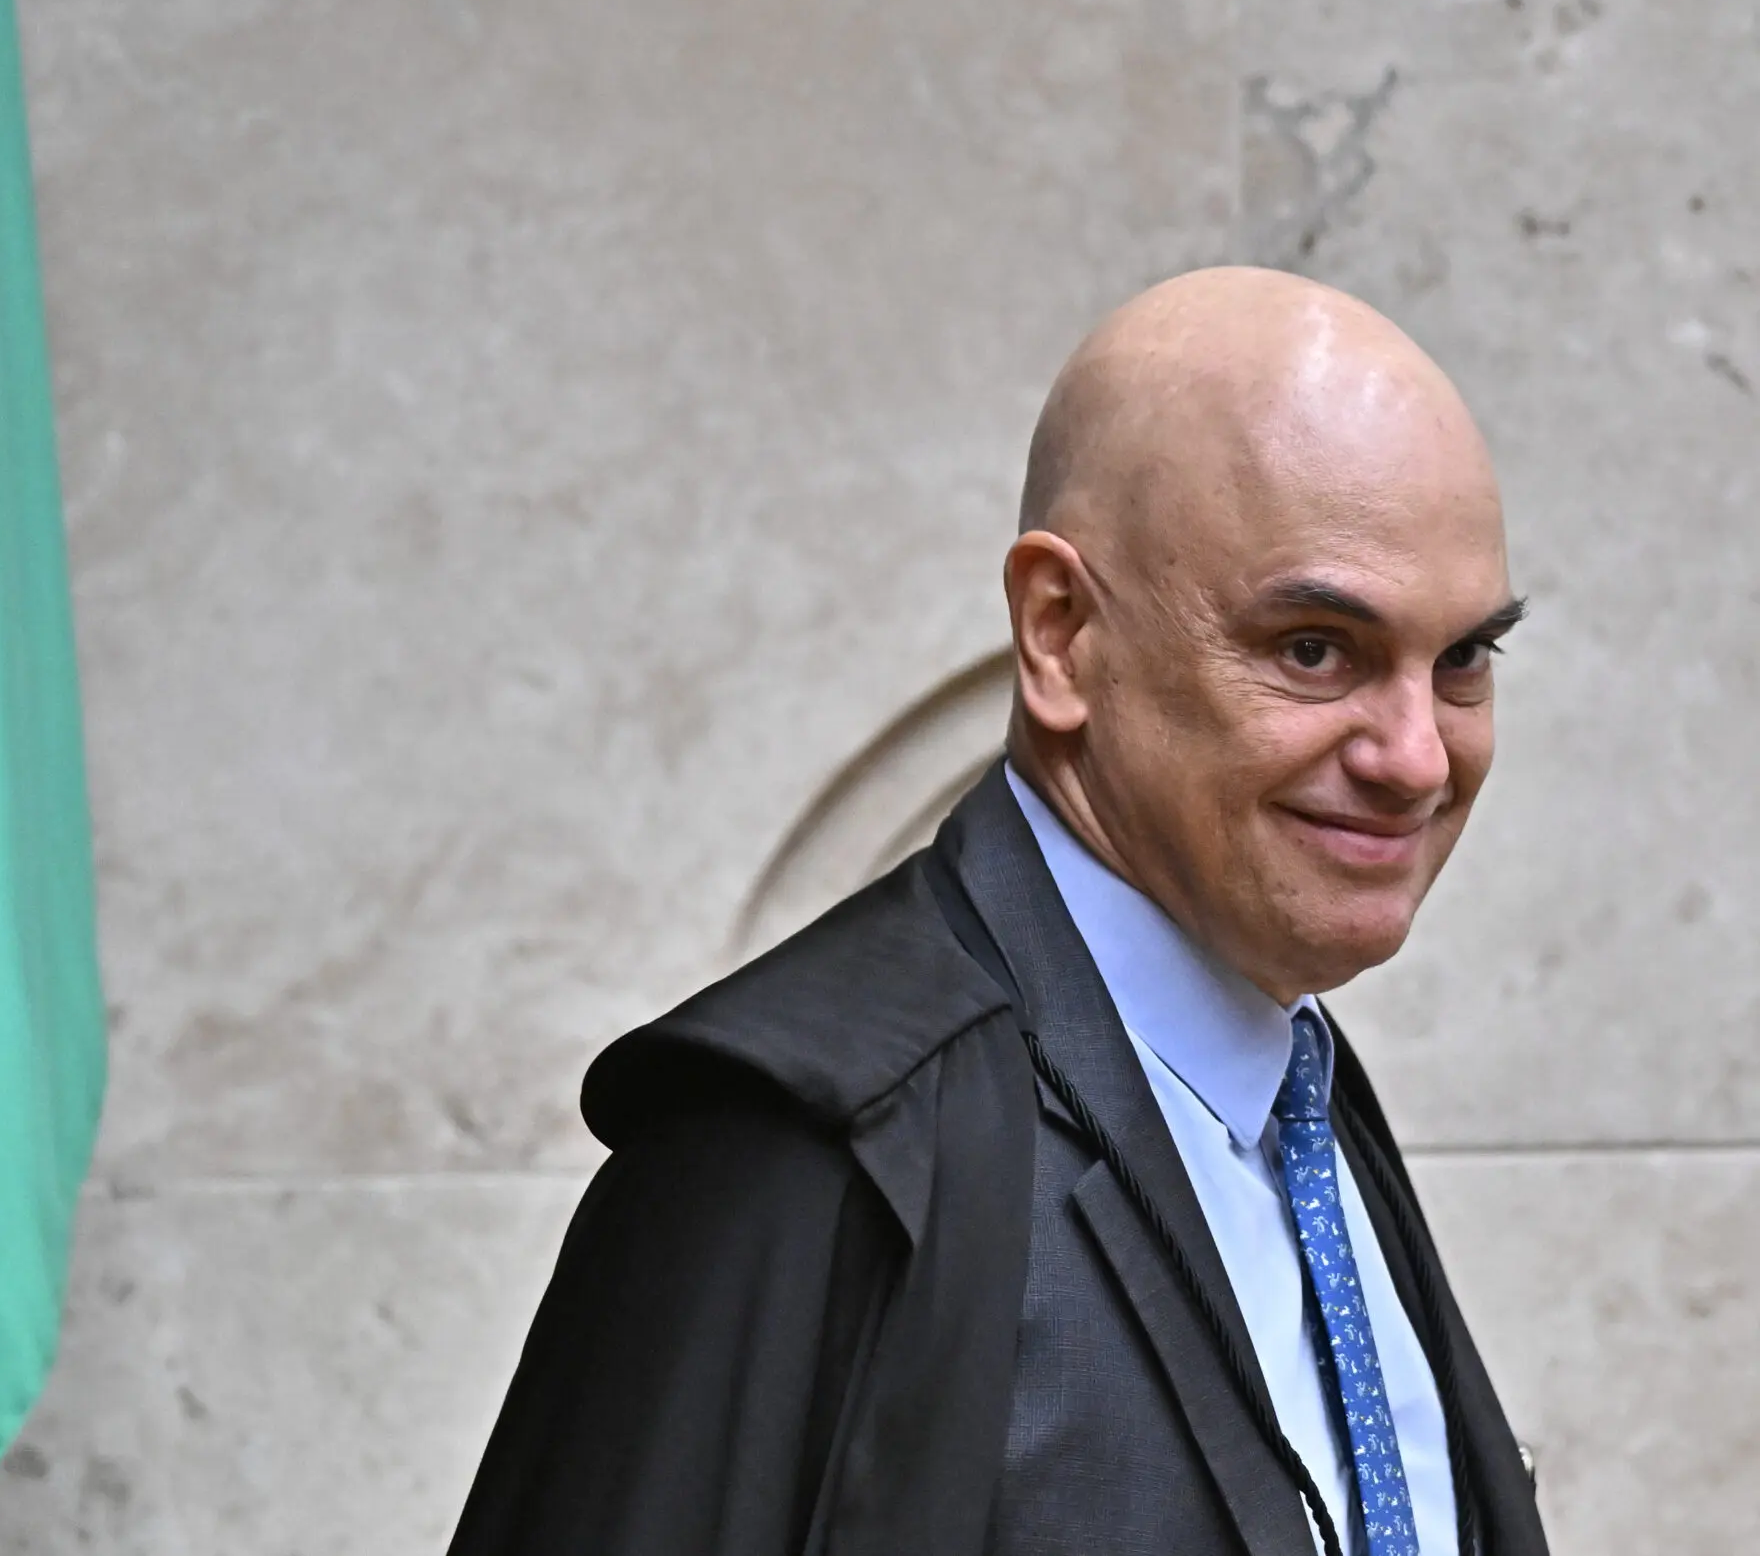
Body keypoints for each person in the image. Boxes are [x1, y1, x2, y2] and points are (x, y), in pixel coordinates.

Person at [448, 268, 1551, 1556]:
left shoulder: (1298, 1097)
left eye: (1462, 660)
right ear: (1060, 633)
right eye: (1315, 649)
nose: (1417, 758)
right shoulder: (803, 1151)